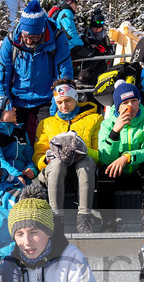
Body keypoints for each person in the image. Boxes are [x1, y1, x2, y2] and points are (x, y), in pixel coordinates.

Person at [0, 0, 73, 143]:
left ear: (42, 31)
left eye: (34, 37)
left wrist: (56, 106)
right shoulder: (11, 41)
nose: (29, 41)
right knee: (13, 141)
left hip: (46, 99)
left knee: (50, 140)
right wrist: (5, 105)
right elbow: (2, 78)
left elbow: (64, 76)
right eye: (26, 36)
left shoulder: (57, 39)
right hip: (17, 99)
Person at [33, 79, 102, 232]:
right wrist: (49, 157)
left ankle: (84, 218)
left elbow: (99, 155)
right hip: (55, 170)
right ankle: (56, 218)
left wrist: (82, 149)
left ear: (75, 98)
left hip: (83, 168)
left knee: (85, 162)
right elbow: (38, 156)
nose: (64, 106)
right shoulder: (46, 123)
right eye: (59, 102)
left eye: (68, 100)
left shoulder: (94, 119)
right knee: (57, 164)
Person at [97, 82, 144, 216]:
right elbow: (105, 159)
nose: (130, 106)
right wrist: (115, 132)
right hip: (117, 174)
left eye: (134, 101)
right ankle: (108, 221)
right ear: (117, 107)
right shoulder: (106, 124)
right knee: (104, 170)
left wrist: (126, 157)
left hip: (138, 172)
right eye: (125, 102)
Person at [0, 98, 37, 187]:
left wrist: (31, 168)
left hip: (24, 178)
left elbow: (30, 155)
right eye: (9, 106)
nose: (14, 109)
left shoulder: (20, 131)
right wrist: (16, 175)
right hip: (3, 179)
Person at [79, 11, 112, 88]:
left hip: (101, 69)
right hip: (87, 69)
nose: (97, 31)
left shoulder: (105, 38)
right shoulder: (85, 36)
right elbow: (81, 49)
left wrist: (105, 51)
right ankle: (83, 78)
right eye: (95, 29)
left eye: (99, 29)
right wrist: (93, 50)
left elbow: (110, 50)